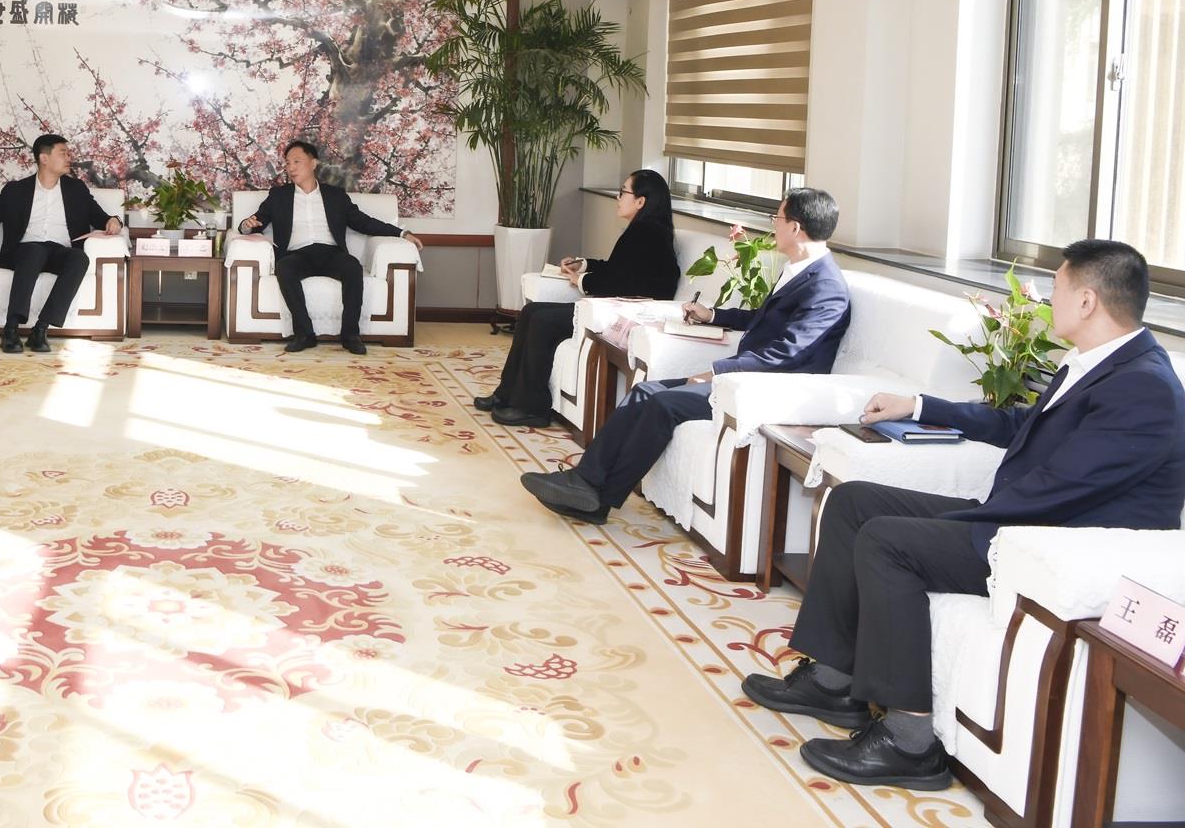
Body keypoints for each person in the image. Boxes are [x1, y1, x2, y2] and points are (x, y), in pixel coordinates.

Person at [744, 239, 1185, 790]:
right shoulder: (1096, 363)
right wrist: (919, 406)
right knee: (854, 501)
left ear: (1087, 301)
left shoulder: (1144, 387)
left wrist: (953, 524)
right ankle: (834, 682)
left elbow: (1065, 487)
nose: (1048, 300)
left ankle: (909, 742)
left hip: (1044, 547)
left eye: (1056, 288)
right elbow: (1021, 428)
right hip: (1019, 521)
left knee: (885, 541)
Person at [521, 186, 851, 522]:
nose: (773, 225)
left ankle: (599, 497)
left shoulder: (825, 288)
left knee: (664, 404)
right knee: (644, 391)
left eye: (776, 218)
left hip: (765, 389)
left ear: (795, 227)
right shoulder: (797, 270)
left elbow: (786, 354)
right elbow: (761, 320)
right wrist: (713, 315)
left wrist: (716, 372)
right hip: (743, 378)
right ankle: (585, 481)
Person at [476, 169, 679, 427]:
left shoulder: (647, 233)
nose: (618, 198)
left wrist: (581, 281)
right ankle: (506, 394)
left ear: (640, 201)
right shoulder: (644, 230)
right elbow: (618, 270)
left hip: (620, 315)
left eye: (623, 192)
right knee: (530, 312)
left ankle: (532, 407)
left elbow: (624, 284)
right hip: (610, 307)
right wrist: (582, 265)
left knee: (542, 321)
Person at [238, 140, 423, 355]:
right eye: (287, 163)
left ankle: (350, 335)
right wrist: (246, 225)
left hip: (331, 253)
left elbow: (364, 222)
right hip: (297, 254)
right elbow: (256, 221)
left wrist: (402, 233)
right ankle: (304, 334)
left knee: (352, 267)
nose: (291, 168)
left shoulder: (335, 195)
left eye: (297, 161)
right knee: (285, 268)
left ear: (313, 163)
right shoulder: (279, 196)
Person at [0, 134, 124, 353]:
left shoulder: (76, 189)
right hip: (24, 252)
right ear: (44, 158)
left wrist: (114, 221)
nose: (69, 158)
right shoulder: (16, 190)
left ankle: (40, 329)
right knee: (34, 251)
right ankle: (10, 329)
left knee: (79, 258)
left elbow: (99, 217)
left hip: (59, 252)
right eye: (63, 153)